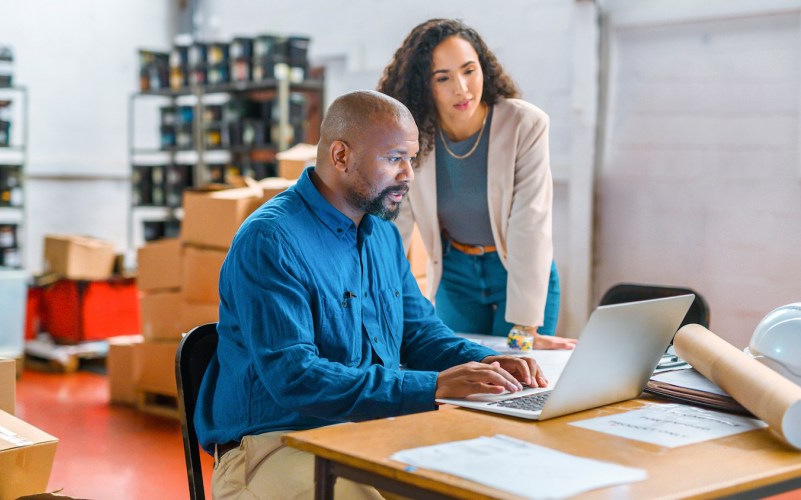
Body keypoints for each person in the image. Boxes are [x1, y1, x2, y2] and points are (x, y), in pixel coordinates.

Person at [194, 90, 547, 499]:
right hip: (273, 445)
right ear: (341, 156)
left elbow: (419, 333)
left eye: (411, 159)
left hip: (365, 431)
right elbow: (296, 377)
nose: (408, 174)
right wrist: (432, 387)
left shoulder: (381, 235)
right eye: (394, 158)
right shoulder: (270, 240)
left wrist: (486, 362)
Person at [378, 19, 577, 350]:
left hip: (516, 269)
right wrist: (380, 305)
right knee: (463, 374)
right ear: (423, 85)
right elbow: (393, 226)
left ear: (484, 67)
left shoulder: (524, 125)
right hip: (456, 276)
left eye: (469, 70)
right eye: (443, 78)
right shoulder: (414, 136)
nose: (462, 88)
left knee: (516, 380)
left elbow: (531, 223)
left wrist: (524, 328)